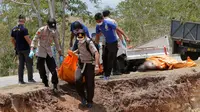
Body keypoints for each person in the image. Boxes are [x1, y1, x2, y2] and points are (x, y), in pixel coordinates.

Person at [29, 18, 63, 90]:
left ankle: (55, 85)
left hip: (48, 51)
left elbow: (57, 44)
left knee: (53, 69)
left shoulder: (54, 31)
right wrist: (32, 50)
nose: (52, 29)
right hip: (40, 51)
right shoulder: (41, 30)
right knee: (41, 69)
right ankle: (45, 83)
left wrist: (60, 54)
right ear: (47, 25)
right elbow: (34, 40)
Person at [94, 12, 127, 80]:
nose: (98, 22)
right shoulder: (98, 26)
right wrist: (95, 44)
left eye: (99, 21)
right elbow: (97, 35)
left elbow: (118, 29)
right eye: (97, 21)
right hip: (106, 43)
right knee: (104, 57)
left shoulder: (108, 23)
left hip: (113, 42)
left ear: (102, 18)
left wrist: (126, 37)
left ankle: (107, 75)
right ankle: (104, 73)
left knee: (110, 59)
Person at [74, 30, 100, 108]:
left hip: (89, 64)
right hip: (81, 64)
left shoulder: (89, 42)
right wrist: (74, 52)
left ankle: (89, 101)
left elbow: (96, 53)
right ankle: (82, 97)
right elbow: (80, 49)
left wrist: (96, 66)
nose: (80, 39)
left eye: (82, 38)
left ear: (85, 36)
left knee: (90, 84)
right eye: (79, 38)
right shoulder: (78, 41)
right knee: (77, 80)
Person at [102, 10, 130, 75]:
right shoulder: (112, 21)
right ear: (109, 14)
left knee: (106, 57)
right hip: (113, 40)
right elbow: (117, 31)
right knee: (115, 56)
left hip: (105, 42)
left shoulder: (100, 22)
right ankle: (116, 70)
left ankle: (107, 72)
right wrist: (122, 40)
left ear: (103, 15)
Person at [11, 15, 36, 84]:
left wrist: (15, 47)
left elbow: (12, 40)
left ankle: (20, 80)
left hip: (19, 49)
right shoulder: (24, 29)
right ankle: (30, 79)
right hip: (26, 49)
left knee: (21, 65)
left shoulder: (13, 29)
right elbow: (27, 39)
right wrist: (32, 46)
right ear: (23, 21)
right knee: (29, 64)